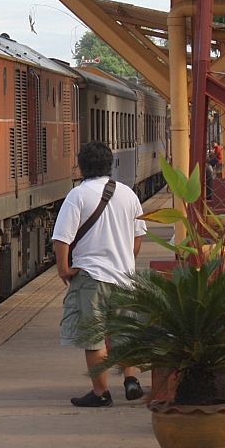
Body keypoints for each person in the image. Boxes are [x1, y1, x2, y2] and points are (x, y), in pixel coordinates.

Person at [52, 141, 147, 407]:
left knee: (94, 337)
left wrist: (64, 270)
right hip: (124, 277)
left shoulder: (77, 196)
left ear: (81, 166)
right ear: (110, 165)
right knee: (125, 332)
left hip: (91, 277)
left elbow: (62, 238)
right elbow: (138, 237)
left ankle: (101, 393)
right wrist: (126, 260)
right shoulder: (129, 194)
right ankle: (131, 379)